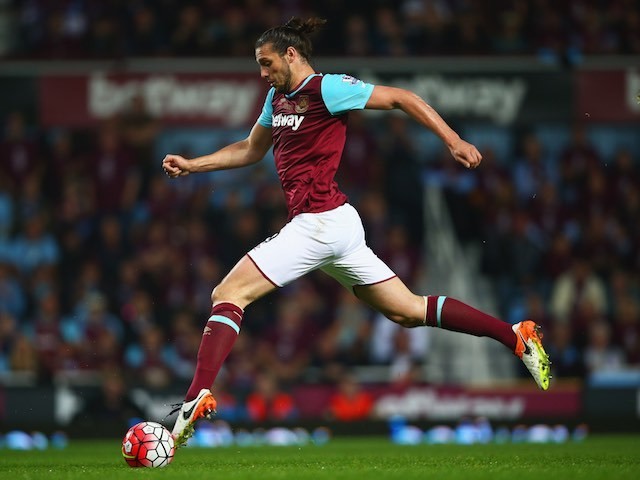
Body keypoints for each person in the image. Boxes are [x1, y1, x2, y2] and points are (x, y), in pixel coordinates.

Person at [163, 17, 551, 447]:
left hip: (320, 222)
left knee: (227, 293)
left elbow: (401, 97)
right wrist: (193, 165)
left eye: (267, 63)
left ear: (291, 55)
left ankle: (195, 397)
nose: (262, 73)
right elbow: (250, 149)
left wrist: (453, 140)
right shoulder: (277, 97)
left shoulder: (328, 88)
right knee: (407, 310)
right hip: (336, 224)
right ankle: (515, 336)